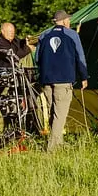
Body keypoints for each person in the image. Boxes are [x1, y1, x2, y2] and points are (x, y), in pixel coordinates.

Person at [36, 10, 88, 151]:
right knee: (60, 114)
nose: (69, 22)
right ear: (64, 21)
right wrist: (84, 76)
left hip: (46, 80)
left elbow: (37, 59)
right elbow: (80, 57)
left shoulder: (43, 35)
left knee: (54, 112)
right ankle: (52, 148)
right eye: (68, 20)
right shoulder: (72, 35)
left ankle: (58, 143)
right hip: (63, 79)